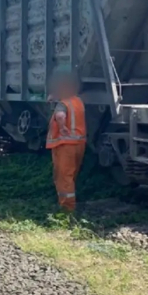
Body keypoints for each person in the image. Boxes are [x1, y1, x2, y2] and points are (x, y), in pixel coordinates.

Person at [46, 68, 87, 212]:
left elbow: (60, 115)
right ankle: (69, 203)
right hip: (79, 144)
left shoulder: (63, 104)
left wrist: (62, 127)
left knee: (64, 177)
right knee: (71, 174)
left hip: (64, 144)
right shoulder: (78, 101)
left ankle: (66, 208)